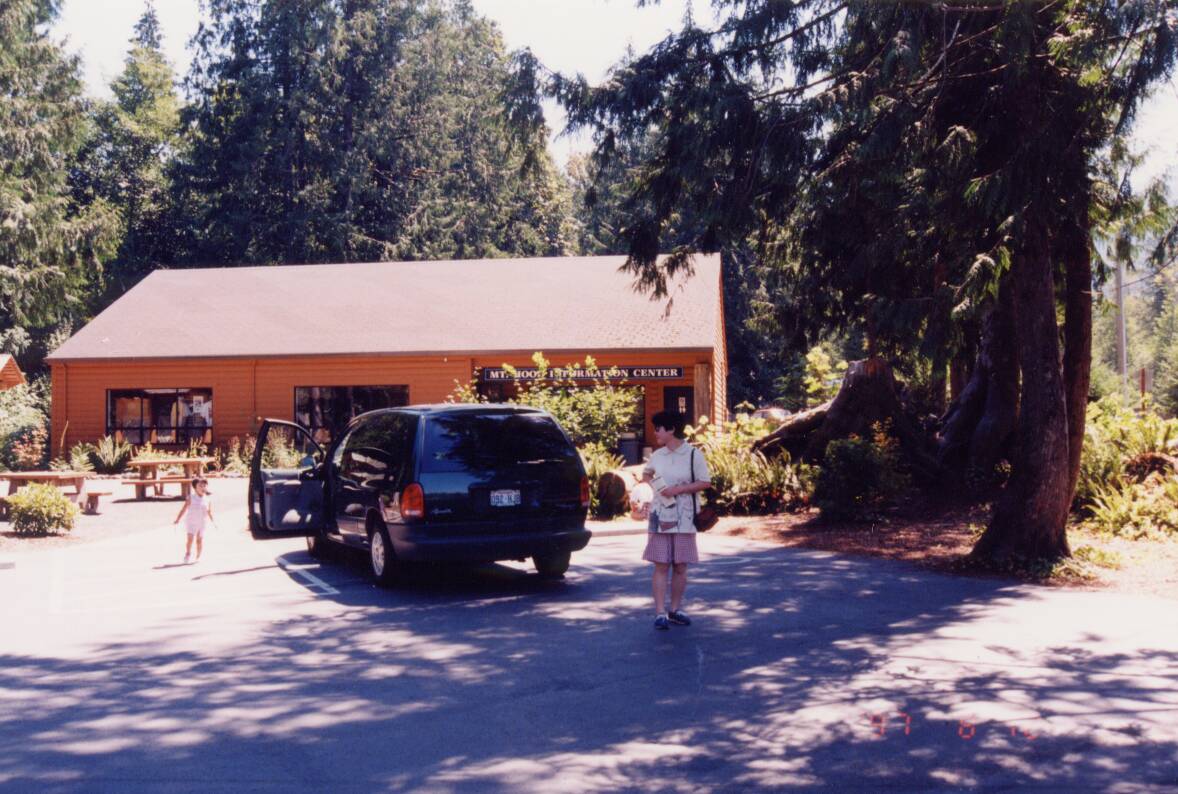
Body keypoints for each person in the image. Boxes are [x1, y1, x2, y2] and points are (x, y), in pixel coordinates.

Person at [641, 410, 711, 630]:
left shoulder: (693, 454)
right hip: (660, 516)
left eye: (658, 428)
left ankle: (675, 610)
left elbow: (705, 482)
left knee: (680, 565)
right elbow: (646, 474)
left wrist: (677, 490)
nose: (655, 433)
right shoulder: (657, 455)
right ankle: (659, 613)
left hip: (685, 517)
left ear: (671, 429)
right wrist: (658, 487)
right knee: (661, 565)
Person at [174, 477, 214, 564]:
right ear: (195, 488)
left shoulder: (207, 499)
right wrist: (177, 519)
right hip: (191, 522)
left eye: (204, 486)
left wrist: (213, 521)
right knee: (190, 540)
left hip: (202, 522)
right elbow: (184, 509)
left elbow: (209, 512)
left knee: (199, 540)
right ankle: (188, 554)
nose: (203, 488)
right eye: (200, 486)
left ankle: (198, 556)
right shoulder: (191, 498)